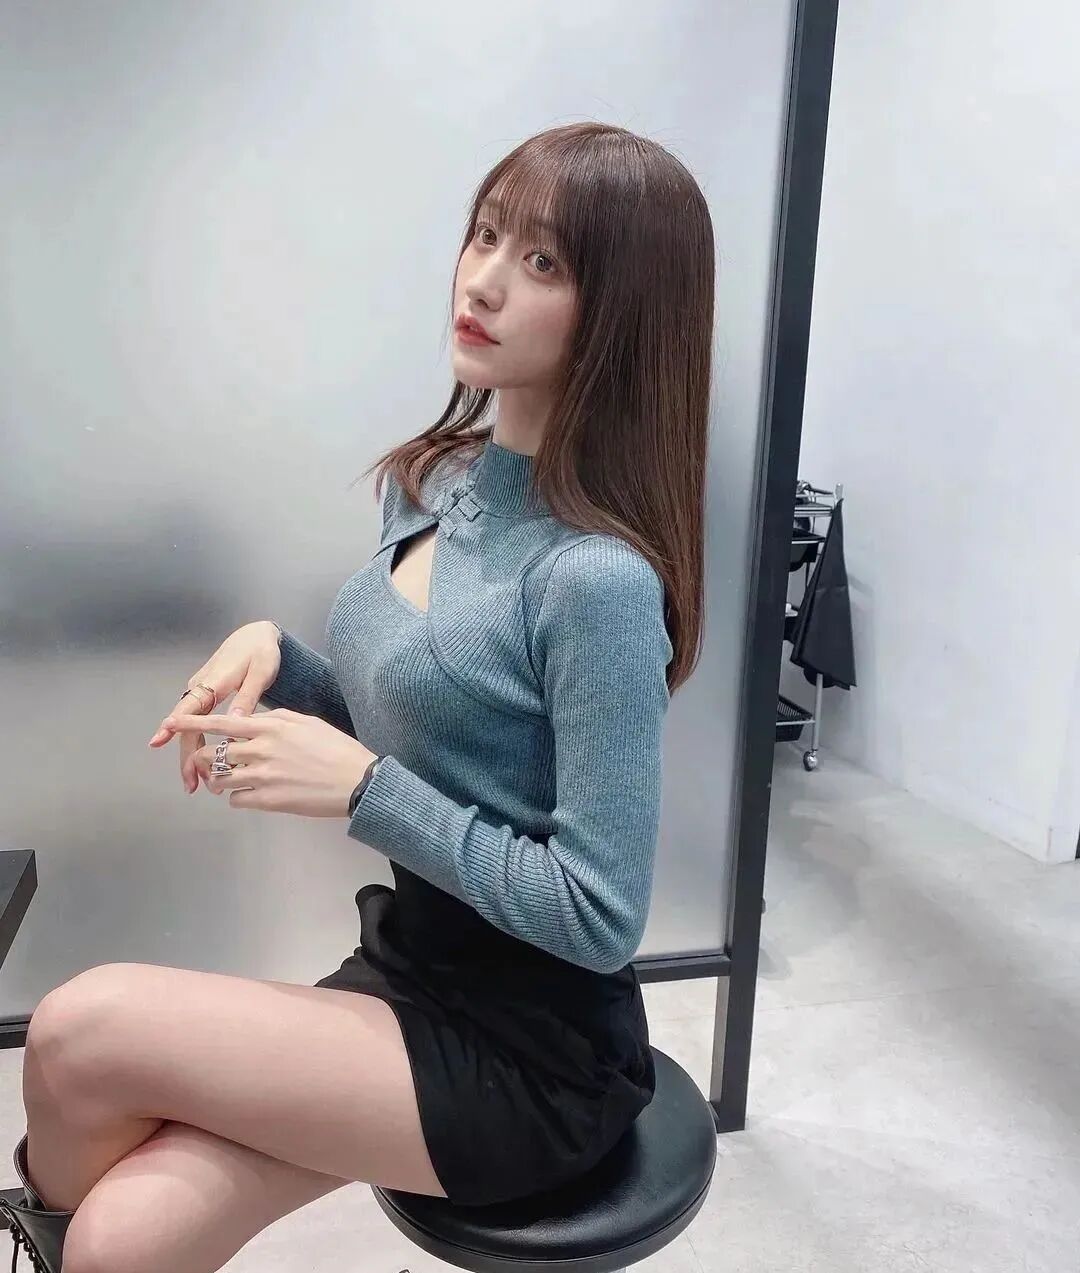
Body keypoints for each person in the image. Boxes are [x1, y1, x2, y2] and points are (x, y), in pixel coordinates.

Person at [2, 120, 713, 1272]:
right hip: (412, 967)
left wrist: (367, 792)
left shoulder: (596, 582)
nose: (483, 279)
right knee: (122, 1238)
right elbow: (434, 721)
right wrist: (283, 663)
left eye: (542, 261)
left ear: (621, 314)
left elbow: (599, 914)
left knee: (80, 1028)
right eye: (487, 234)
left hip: (536, 1052)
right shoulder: (431, 483)